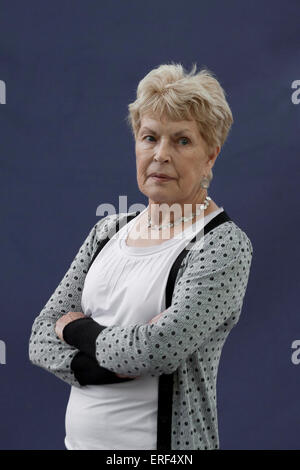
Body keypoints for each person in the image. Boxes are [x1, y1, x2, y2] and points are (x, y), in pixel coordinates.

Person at [28, 62, 253, 450]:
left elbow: (156, 350)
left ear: (210, 156)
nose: (161, 155)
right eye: (150, 137)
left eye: (182, 141)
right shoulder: (108, 230)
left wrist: (77, 330)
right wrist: (94, 366)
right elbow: (40, 335)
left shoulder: (222, 244)